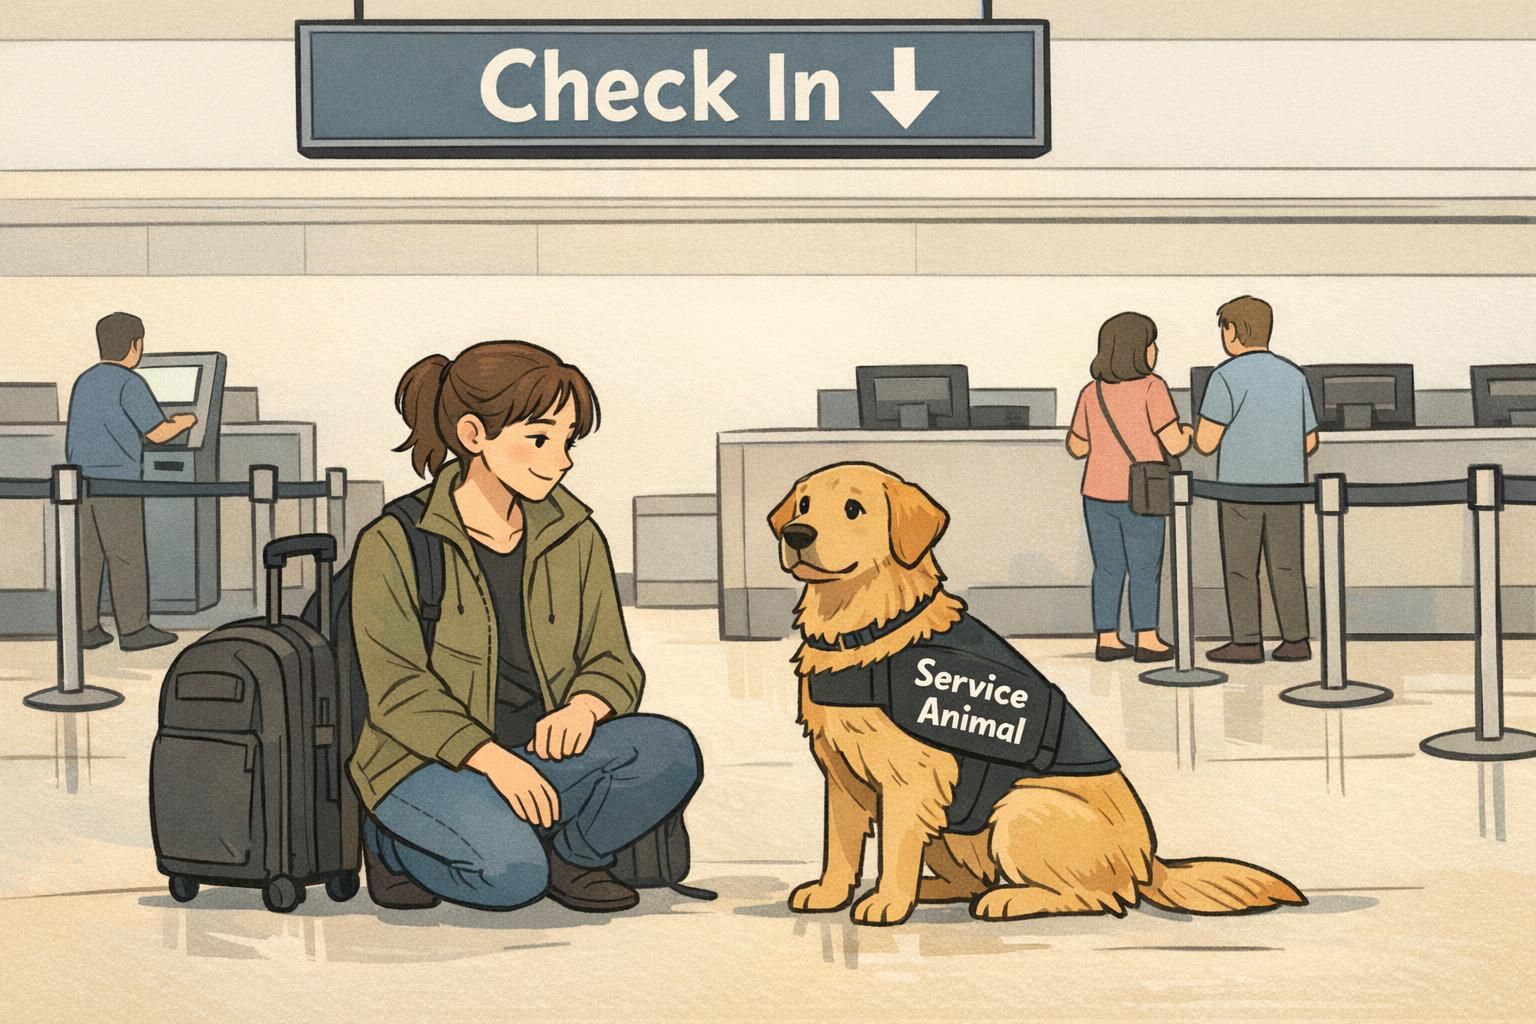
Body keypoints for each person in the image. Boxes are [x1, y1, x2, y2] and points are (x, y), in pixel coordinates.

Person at [349, 340, 702, 913]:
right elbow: (397, 694)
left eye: (566, 441)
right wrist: (491, 760)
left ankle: (573, 858)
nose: (560, 460)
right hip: (427, 763)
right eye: (539, 438)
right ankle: (393, 844)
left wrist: (585, 707)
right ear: (473, 436)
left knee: (668, 749)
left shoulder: (575, 533)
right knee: (510, 878)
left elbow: (612, 660)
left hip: (538, 756)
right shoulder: (396, 541)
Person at [1194, 295, 1319, 664]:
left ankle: (1246, 642)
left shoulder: (1224, 376)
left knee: (1241, 567)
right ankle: (1296, 640)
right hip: (1287, 489)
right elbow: (1309, 441)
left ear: (1232, 332)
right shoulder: (1294, 375)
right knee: (1287, 565)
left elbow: (1205, 442)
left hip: (1240, 490)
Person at [65, 312, 197, 652]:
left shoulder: (85, 379)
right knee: (126, 557)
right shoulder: (129, 382)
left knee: (88, 559)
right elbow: (158, 433)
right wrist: (186, 420)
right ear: (135, 346)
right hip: (117, 483)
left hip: (79, 482)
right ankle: (135, 630)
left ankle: (86, 628)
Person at [1066, 312, 1192, 663]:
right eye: (1151, 343)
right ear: (1140, 349)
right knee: (1144, 566)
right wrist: (1189, 433)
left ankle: (1107, 638)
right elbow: (1175, 443)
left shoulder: (1091, 392)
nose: (1155, 350)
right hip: (1142, 491)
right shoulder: (1153, 387)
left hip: (1097, 492)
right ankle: (1147, 639)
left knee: (1107, 567)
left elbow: (1077, 447)